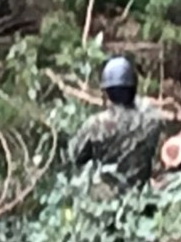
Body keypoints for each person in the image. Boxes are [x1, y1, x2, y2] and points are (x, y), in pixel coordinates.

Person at [68, 55, 162, 193]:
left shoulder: (96, 125)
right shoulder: (151, 120)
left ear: (107, 92)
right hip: (141, 197)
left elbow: (75, 156)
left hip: (106, 203)